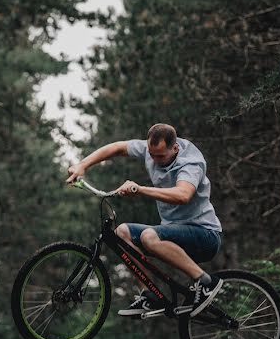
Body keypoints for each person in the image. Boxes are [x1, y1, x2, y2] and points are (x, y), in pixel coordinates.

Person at [65, 123, 223, 317]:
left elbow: (183, 195)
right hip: (175, 235)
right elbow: (117, 147)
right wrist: (82, 165)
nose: (155, 161)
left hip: (205, 235)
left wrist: (139, 189)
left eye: (160, 156)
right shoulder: (151, 149)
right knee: (122, 232)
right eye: (151, 154)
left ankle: (206, 281)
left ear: (175, 148)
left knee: (149, 236)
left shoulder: (189, 163)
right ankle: (149, 294)